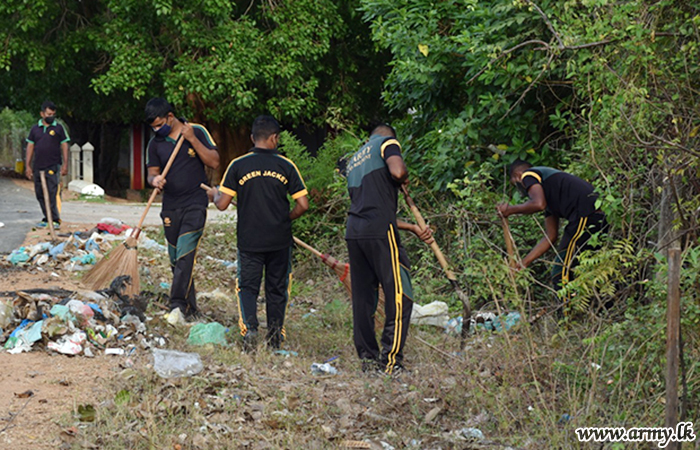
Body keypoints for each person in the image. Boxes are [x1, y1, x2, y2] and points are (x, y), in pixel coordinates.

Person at [206, 115, 309, 350]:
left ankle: (250, 331)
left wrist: (213, 195)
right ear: (275, 138)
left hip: (250, 241)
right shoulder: (286, 165)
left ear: (253, 138)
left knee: (248, 288)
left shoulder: (238, 165)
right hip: (279, 240)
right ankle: (274, 338)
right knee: (277, 289)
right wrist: (285, 218)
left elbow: (222, 204)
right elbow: (303, 205)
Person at [344, 124, 433, 376]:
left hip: (355, 232)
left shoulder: (353, 161)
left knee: (363, 299)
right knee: (400, 294)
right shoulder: (387, 143)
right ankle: (391, 363)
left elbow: (371, 208)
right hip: (380, 233)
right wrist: (402, 178)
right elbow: (398, 170)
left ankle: (368, 362)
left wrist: (414, 228)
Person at [145, 97, 220, 319]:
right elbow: (151, 172)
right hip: (170, 206)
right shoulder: (155, 143)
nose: (157, 129)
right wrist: (154, 180)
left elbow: (214, 161)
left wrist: (192, 140)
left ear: (170, 116)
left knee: (186, 253)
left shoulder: (196, 131)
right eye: (153, 127)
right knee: (176, 259)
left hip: (195, 202)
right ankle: (191, 308)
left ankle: (176, 304)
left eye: (159, 124)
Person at [496, 159, 607, 294]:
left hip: (585, 215)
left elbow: (538, 204)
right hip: (595, 218)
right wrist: (524, 262)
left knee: (560, 271)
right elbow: (550, 236)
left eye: (516, 184)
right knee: (586, 270)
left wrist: (510, 210)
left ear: (517, 176)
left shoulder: (528, 174)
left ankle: (566, 312)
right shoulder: (551, 193)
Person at [25, 100, 70, 229]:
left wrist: (65, 164)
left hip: (53, 165)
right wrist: (28, 166)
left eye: (53, 114)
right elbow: (30, 146)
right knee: (40, 193)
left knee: (52, 192)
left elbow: (64, 145)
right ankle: (46, 218)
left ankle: (55, 219)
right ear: (42, 114)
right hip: (38, 166)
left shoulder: (58, 128)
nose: (51, 117)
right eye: (49, 114)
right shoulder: (35, 129)